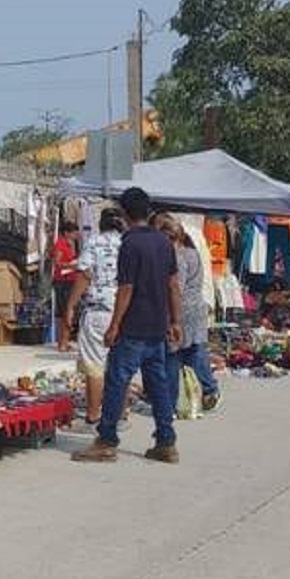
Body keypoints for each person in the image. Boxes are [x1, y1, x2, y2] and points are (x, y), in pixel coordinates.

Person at [72, 187, 183, 465]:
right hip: (157, 327)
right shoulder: (164, 242)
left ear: (124, 214)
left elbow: (126, 288)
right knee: (158, 385)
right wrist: (175, 321)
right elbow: (173, 285)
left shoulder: (130, 244)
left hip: (133, 327)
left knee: (117, 382)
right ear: (148, 211)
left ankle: (106, 440)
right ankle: (166, 442)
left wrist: (114, 326)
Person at [152, 213, 221, 413]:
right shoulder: (191, 251)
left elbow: (176, 289)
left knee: (173, 355)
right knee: (195, 352)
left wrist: (170, 316)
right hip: (195, 309)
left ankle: (170, 401)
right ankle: (209, 389)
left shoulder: (178, 256)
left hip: (181, 311)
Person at [65, 208, 125, 429]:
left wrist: (70, 306)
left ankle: (93, 416)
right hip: (124, 311)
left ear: (101, 224)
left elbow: (84, 275)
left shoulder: (94, 242)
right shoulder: (127, 243)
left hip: (98, 311)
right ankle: (119, 413)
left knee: (95, 366)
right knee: (119, 365)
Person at [50, 221, 81, 352]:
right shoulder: (61, 244)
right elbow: (57, 263)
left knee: (70, 310)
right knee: (65, 310)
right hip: (62, 281)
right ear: (67, 233)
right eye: (74, 232)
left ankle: (65, 340)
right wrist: (73, 265)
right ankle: (62, 342)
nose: (76, 235)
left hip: (71, 279)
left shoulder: (73, 244)